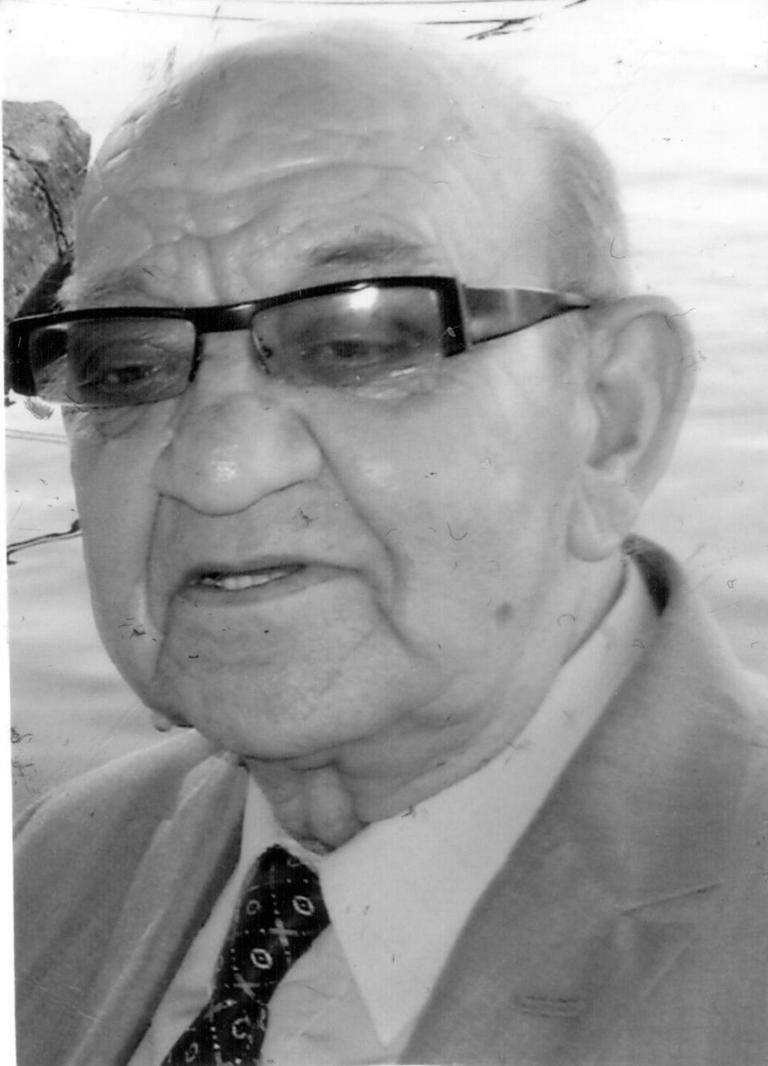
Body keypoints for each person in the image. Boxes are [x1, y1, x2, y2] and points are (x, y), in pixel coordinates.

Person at [11, 22, 768, 1066]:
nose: (217, 466)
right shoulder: (58, 864)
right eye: (127, 369)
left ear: (613, 418)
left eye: (354, 343)